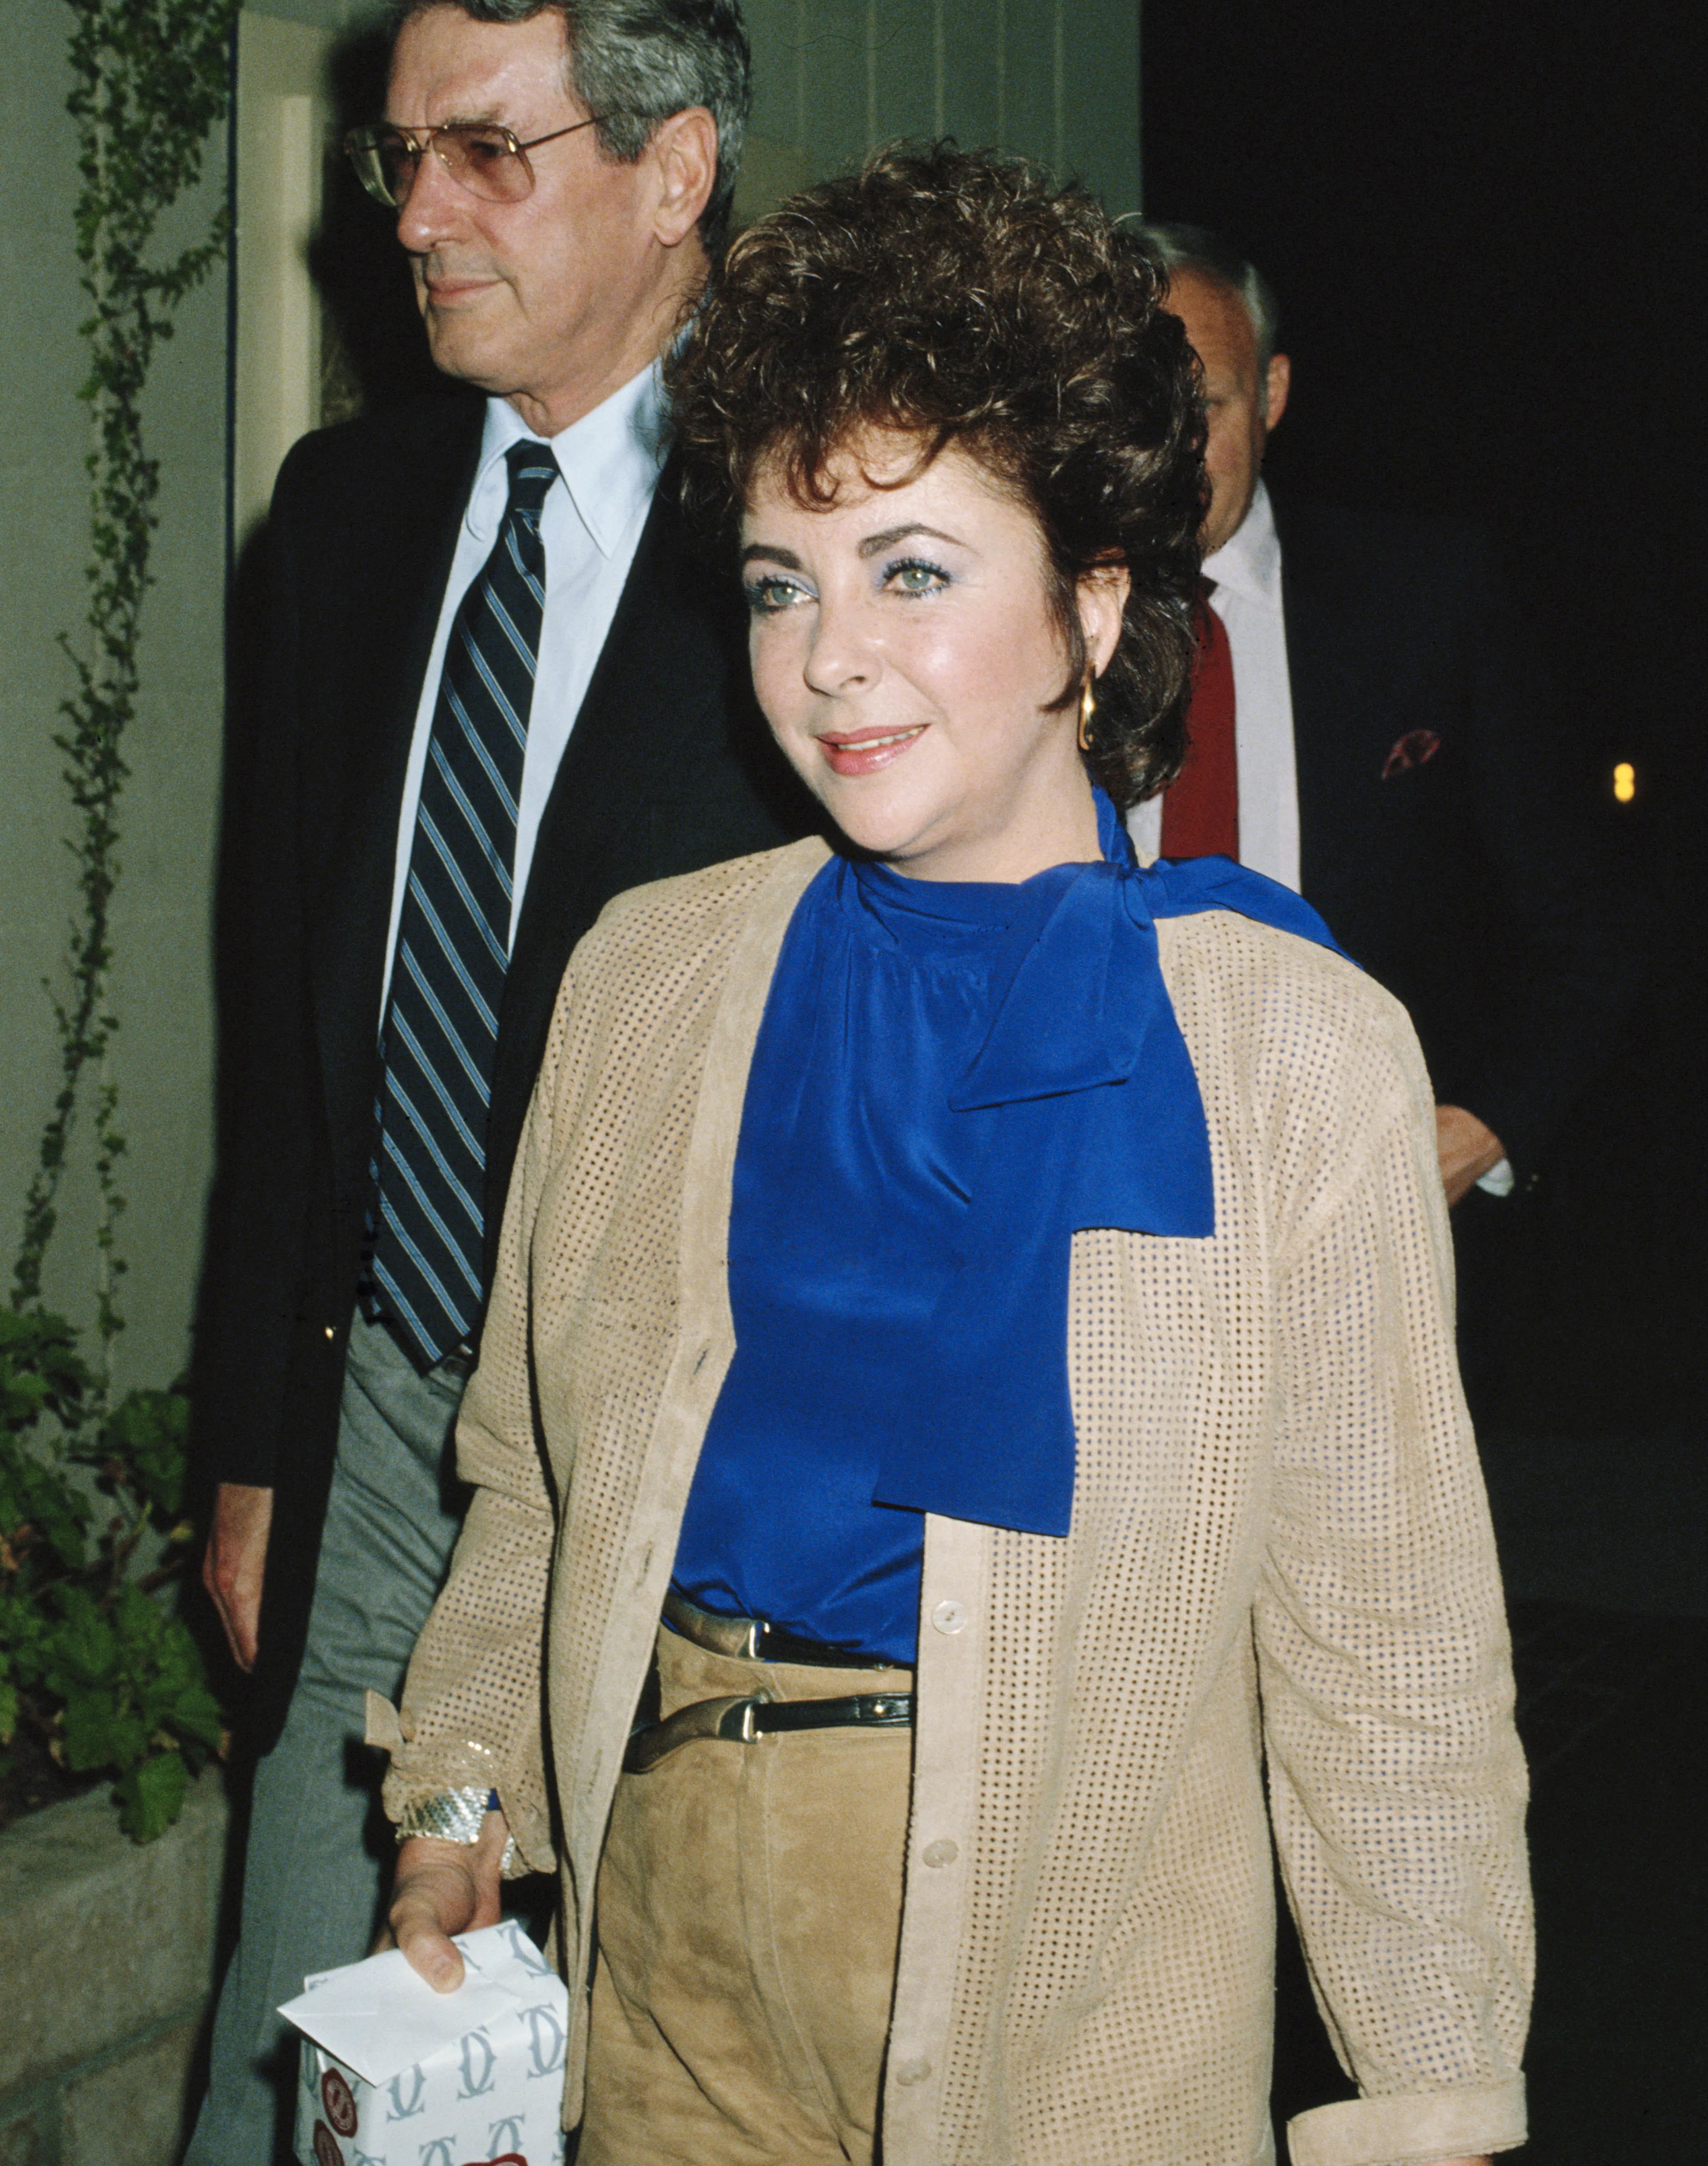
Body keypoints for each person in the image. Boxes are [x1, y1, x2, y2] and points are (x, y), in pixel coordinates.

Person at [379, 146, 1531, 2166]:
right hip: (663, 1931)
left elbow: (1390, 1654)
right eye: (780, 579)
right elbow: (533, 1478)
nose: (830, 656)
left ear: (1092, 599)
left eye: (912, 567)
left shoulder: (1286, 1049)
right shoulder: (648, 978)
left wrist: (1429, 2092)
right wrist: (461, 1806)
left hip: (1056, 1987)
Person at [184, 0, 814, 2166]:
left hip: (691, 1440)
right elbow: (291, 1022)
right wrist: (253, 1431)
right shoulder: (342, 517)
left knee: (639, 2061)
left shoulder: (827, 517)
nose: (422, 215)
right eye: (405, 155)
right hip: (377, 1415)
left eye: (489, 153)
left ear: (675, 170)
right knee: (319, 2060)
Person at [1131, 222, 1633, 1234]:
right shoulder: (1021, 625)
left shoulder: (1427, 603)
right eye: (1137, 406)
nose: (1168, 447)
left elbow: (1591, 916)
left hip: (1370, 1223)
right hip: (1098, 1218)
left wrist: (1485, 1125)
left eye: (1207, 404)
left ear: (1269, 395)